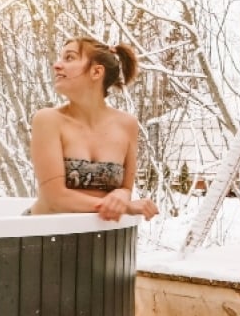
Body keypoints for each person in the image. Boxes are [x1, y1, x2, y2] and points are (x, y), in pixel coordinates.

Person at [27, 36, 158, 221]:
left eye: (69, 58)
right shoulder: (48, 120)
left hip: (95, 241)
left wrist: (121, 195)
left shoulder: (127, 125)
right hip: (40, 238)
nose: (57, 65)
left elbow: (125, 189)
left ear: (96, 72)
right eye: (60, 58)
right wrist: (124, 206)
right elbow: (54, 198)